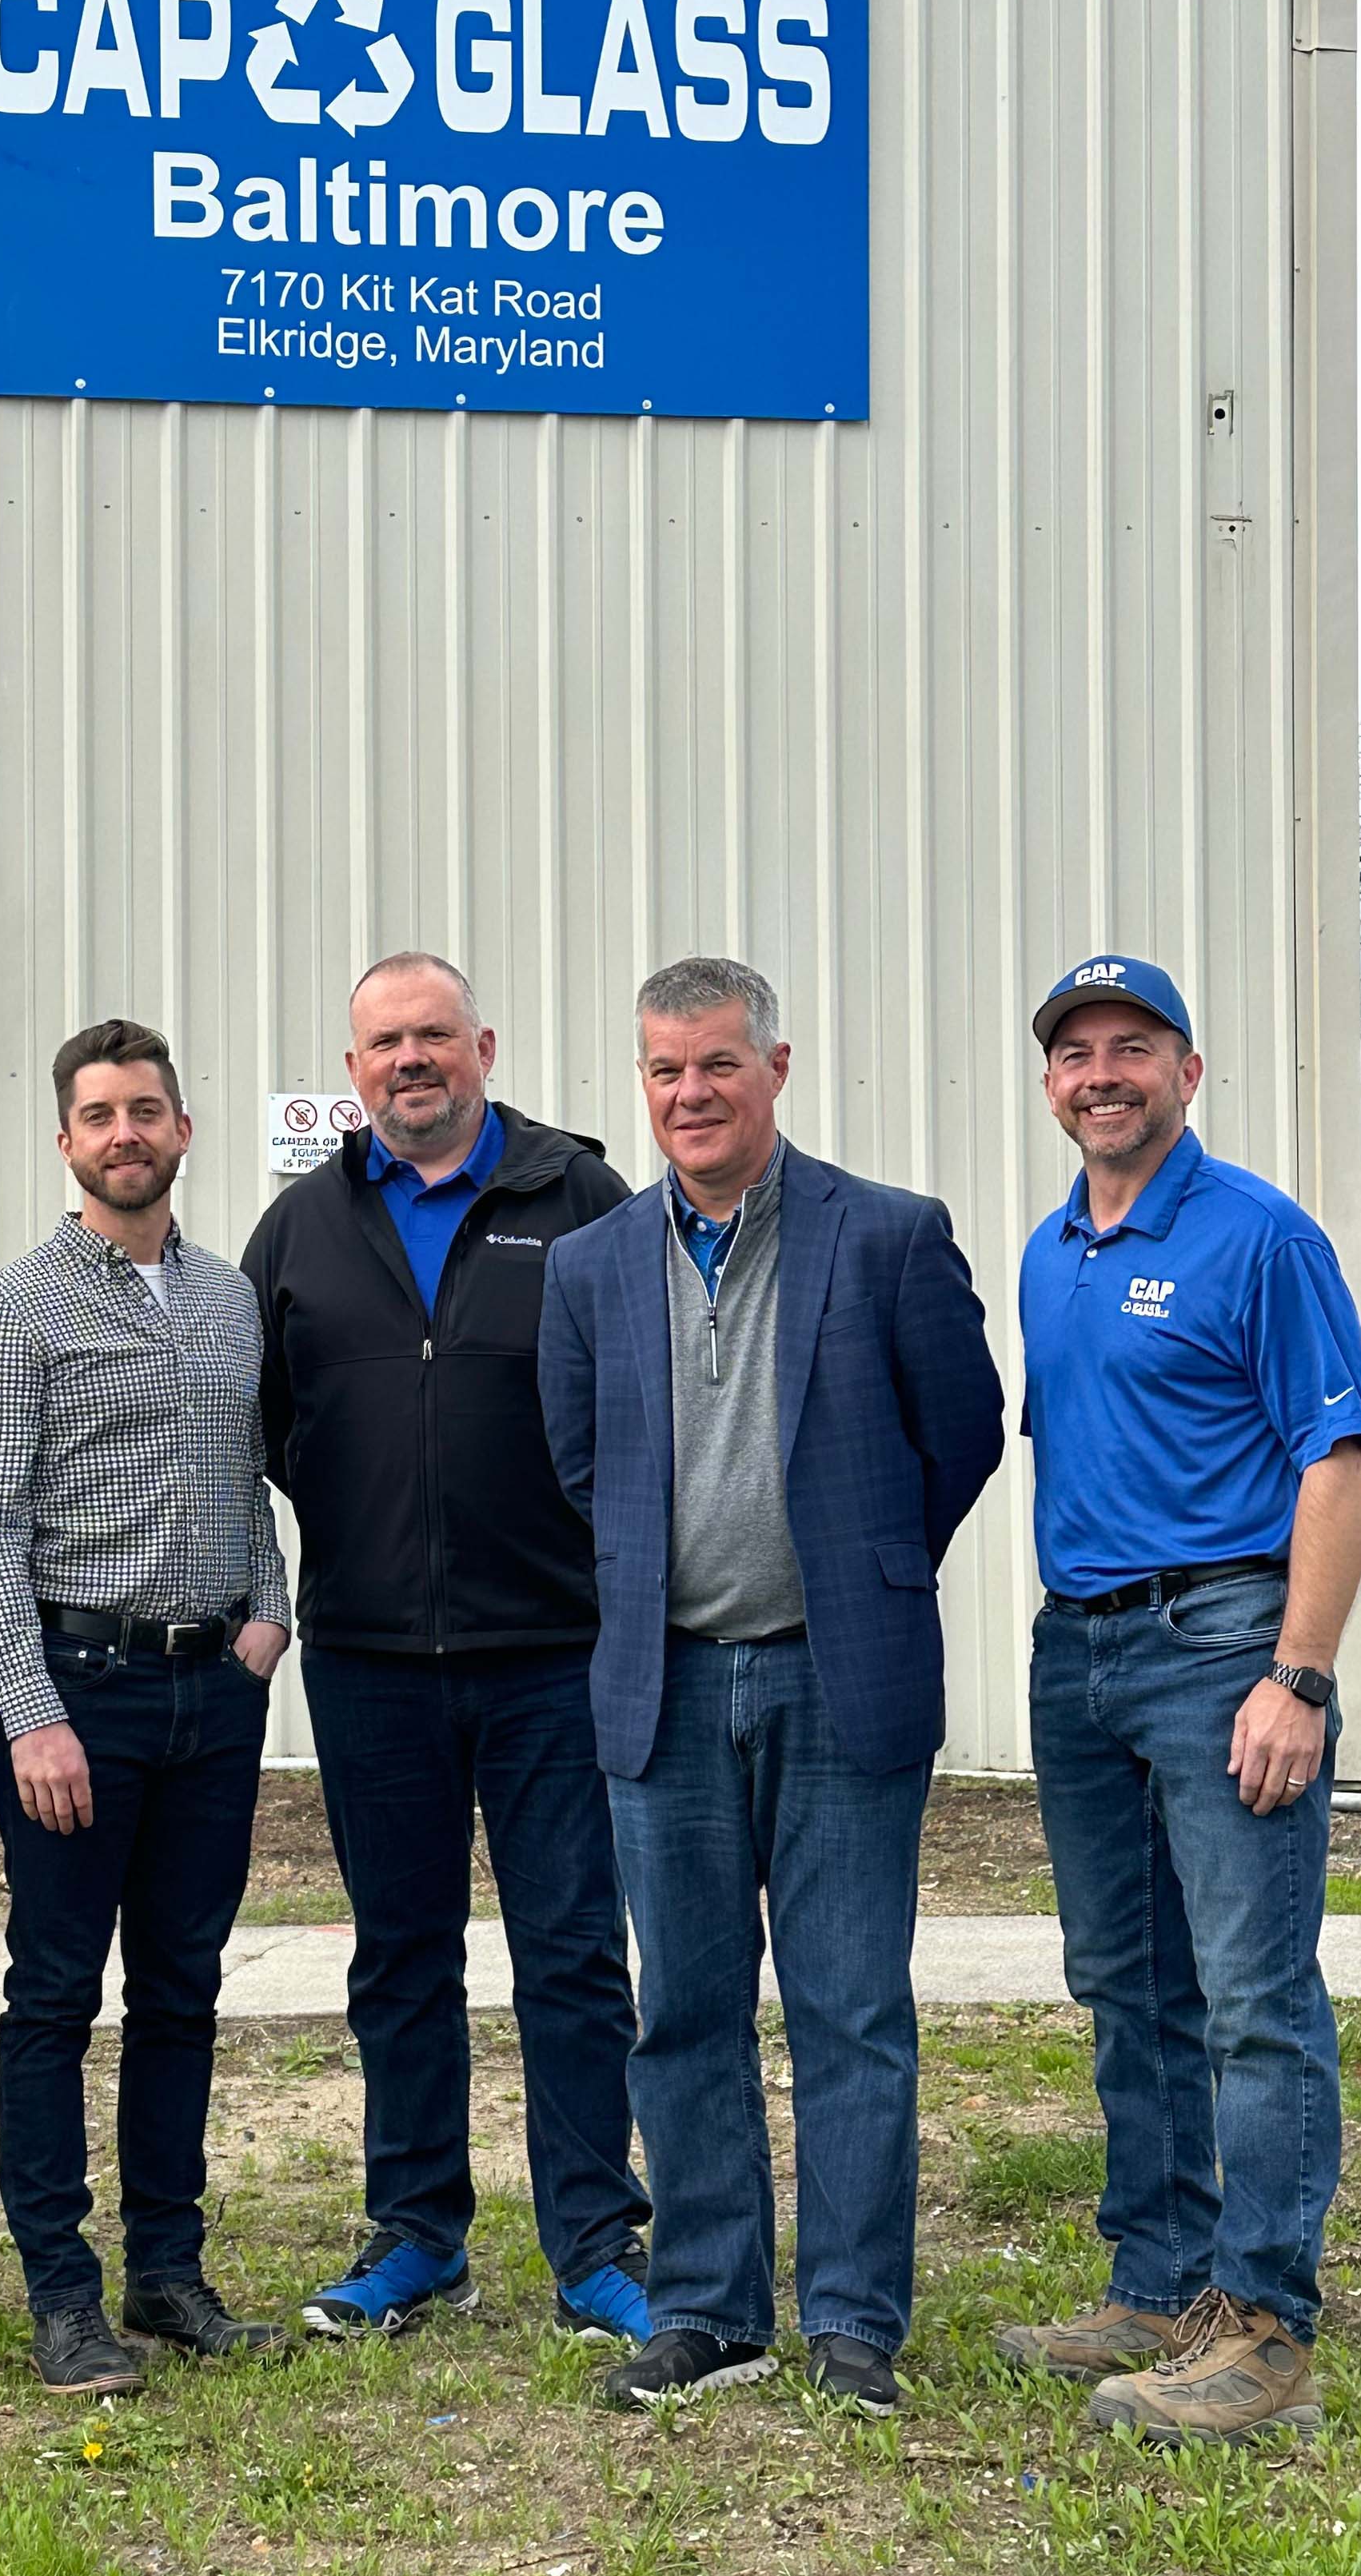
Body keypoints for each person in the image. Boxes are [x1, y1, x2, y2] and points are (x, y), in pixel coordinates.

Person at [539, 956, 1003, 2416]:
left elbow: (960, 1433)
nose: (689, 1093)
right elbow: (579, 1463)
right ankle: (708, 2307)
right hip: (664, 1687)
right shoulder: (590, 1265)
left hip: (836, 1677)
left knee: (849, 2010)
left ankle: (852, 2316)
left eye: (716, 1064)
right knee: (680, 2008)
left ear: (775, 1068)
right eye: (664, 1070)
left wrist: (862, 1566)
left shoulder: (886, 1235)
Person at [241, 953, 652, 2347]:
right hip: (369, 1658)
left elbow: (639, 1397)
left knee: (572, 1955)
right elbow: (268, 1424)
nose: (408, 1060)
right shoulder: (301, 1226)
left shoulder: (577, 1196)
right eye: (382, 1043)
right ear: (352, 1070)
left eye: (431, 1035)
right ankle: (418, 2235)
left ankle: (594, 2241)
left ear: (481, 1046)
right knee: (400, 1957)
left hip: (551, 1652)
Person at [993, 957, 1361, 2445]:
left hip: (1222, 1645)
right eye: (1075, 1051)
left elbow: (1333, 1460)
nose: (1101, 1073)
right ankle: (1157, 2287)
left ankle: (1263, 2328)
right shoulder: (1049, 1251)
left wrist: (1298, 1673)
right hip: (1078, 1651)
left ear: (1186, 1072)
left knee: (1252, 1995)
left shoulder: (1260, 1236)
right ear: (1050, 1084)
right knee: (1126, 1983)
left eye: (1131, 1046)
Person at [0, 1019, 293, 2395]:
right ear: (65, 1141)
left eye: (145, 1109)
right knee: (51, 1997)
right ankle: (62, 2296)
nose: (124, 1134)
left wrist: (269, 1612)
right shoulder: (11, 1309)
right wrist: (28, 1710)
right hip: (76, 1699)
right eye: (98, 1115)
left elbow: (247, 1472)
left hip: (213, 1693)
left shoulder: (227, 1298)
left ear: (181, 1128)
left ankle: (167, 2270)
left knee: (182, 1990)